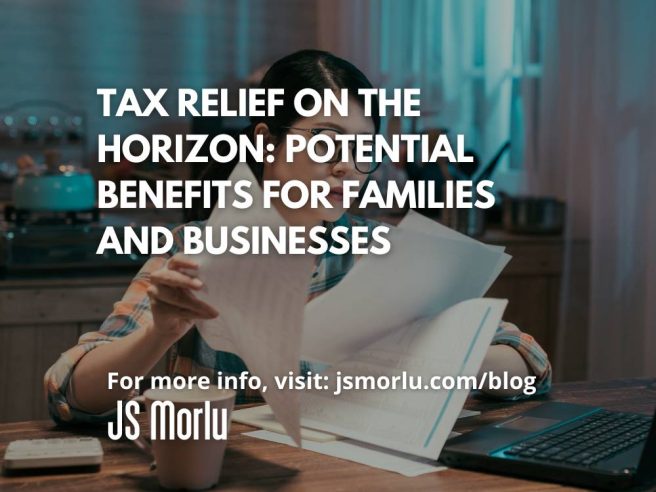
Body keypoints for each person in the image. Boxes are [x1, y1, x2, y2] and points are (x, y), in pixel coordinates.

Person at [45, 50, 551, 424]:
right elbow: (70, 390)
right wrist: (159, 334)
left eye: (362, 153)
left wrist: (439, 349)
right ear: (265, 142)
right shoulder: (195, 252)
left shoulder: (386, 252)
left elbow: (529, 365)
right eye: (326, 141)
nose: (346, 171)